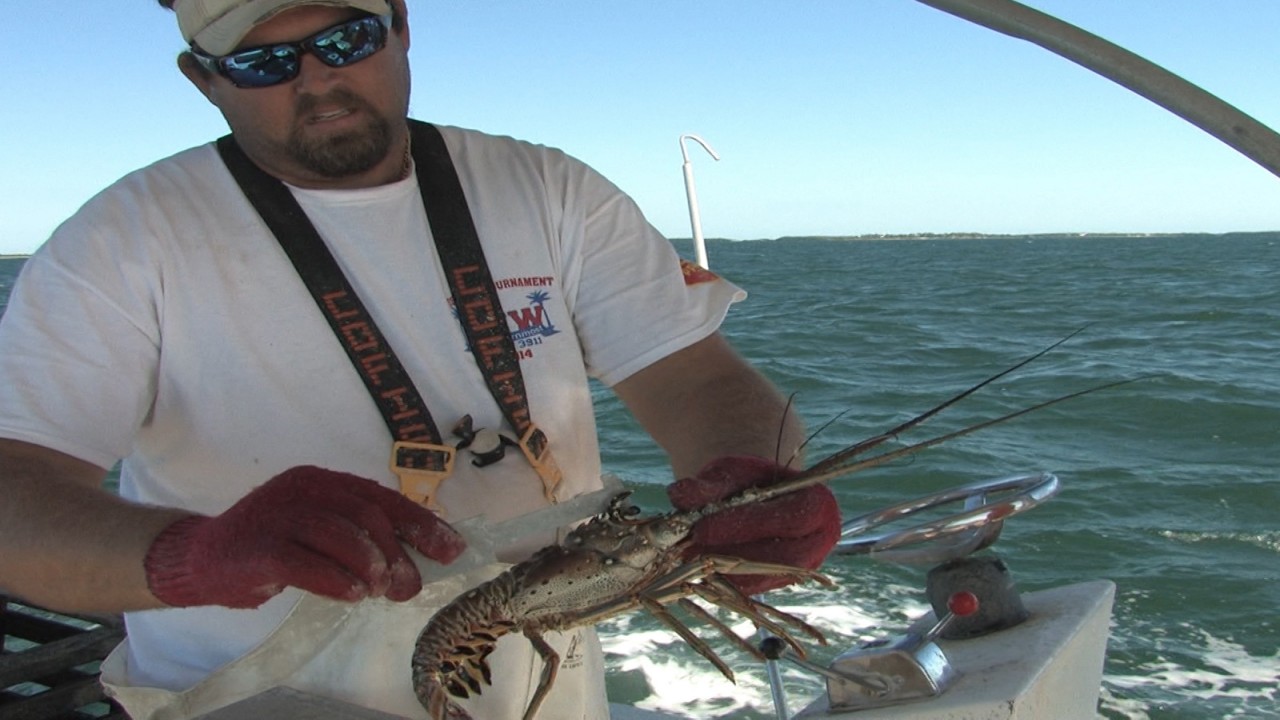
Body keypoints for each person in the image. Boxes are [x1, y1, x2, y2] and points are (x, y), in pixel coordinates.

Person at [0, 0, 841, 717]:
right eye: (261, 63)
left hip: (543, 689)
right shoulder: (118, 243)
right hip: (253, 699)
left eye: (344, 41)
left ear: (401, 24)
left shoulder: (549, 190)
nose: (316, 80)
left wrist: (757, 478)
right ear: (203, 79)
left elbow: (695, 379)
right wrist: (201, 552)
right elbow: (15, 494)